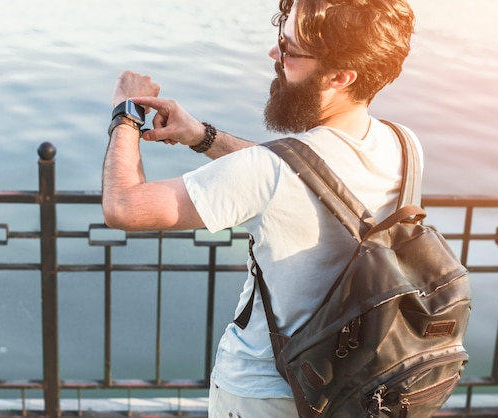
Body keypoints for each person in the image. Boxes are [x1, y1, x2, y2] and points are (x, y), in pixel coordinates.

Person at [102, 0, 418, 416]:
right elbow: (307, 171)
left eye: (289, 49)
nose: (274, 55)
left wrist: (126, 112)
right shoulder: (405, 145)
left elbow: (124, 206)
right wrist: (201, 136)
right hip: (353, 388)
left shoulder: (269, 172)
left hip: (262, 396)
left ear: (341, 76)